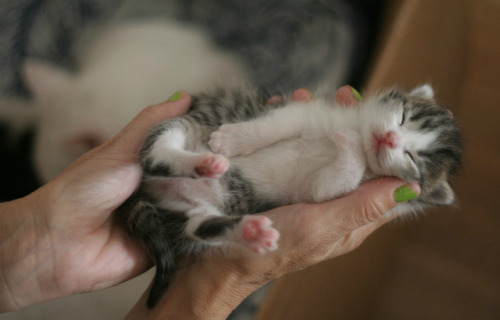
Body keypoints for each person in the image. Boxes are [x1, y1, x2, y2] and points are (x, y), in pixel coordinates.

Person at [0, 86, 420, 319]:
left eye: (414, 155)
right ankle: (178, 161)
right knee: (177, 133)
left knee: (198, 222)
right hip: (208, 152)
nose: (392, 139)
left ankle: (224, 223)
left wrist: (38, 239)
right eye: (402, 119)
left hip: (217, 188)